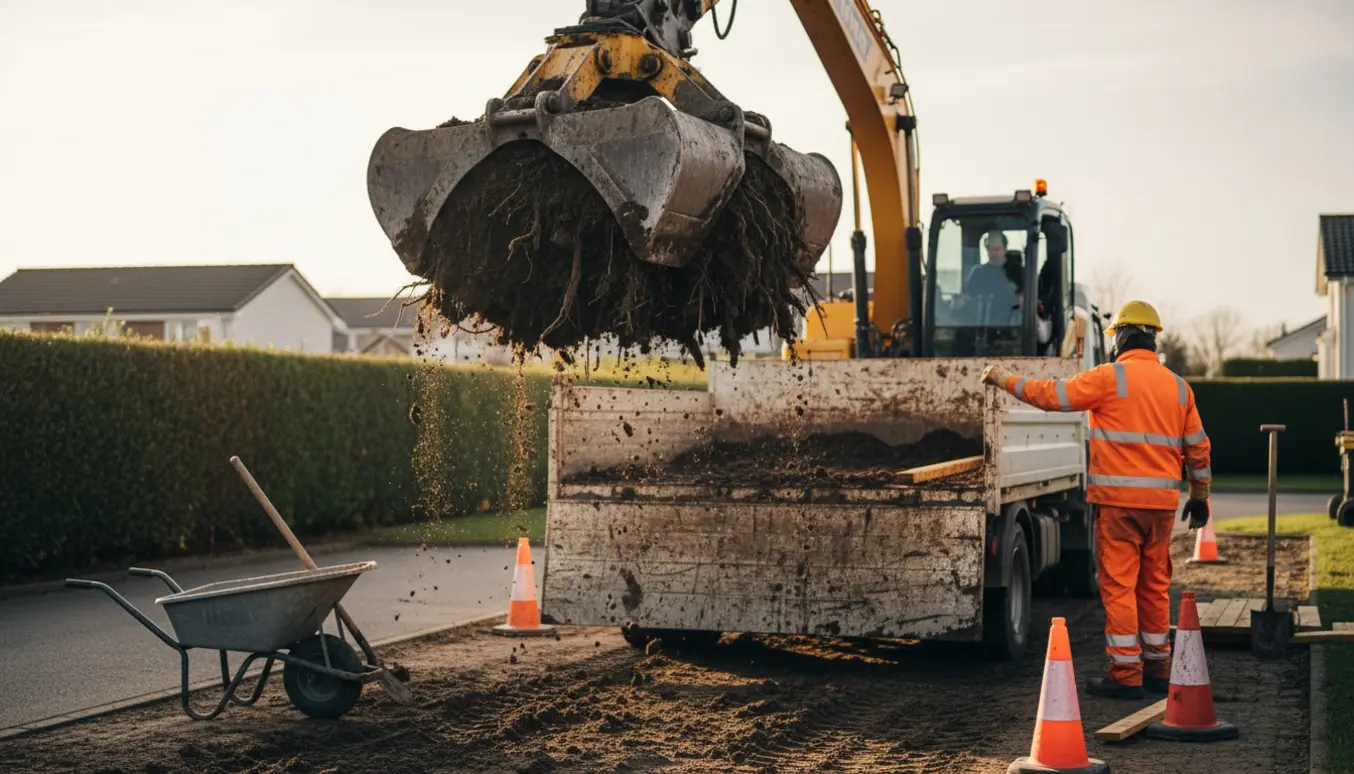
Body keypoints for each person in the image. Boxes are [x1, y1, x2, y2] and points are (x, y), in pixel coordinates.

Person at [979, 300, 1212, 699]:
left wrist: (1003, 379)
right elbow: (1199, 448)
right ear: (1153, 336)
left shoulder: (1110, 378)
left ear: (1120, 336)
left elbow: (1051, 396)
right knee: (1154, 586)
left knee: (1119, 587)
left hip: (1119, 506)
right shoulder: (1178, 387)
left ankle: (1125, 676)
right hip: (1161, 508)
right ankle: (1158, 668)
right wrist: (1200, 496)